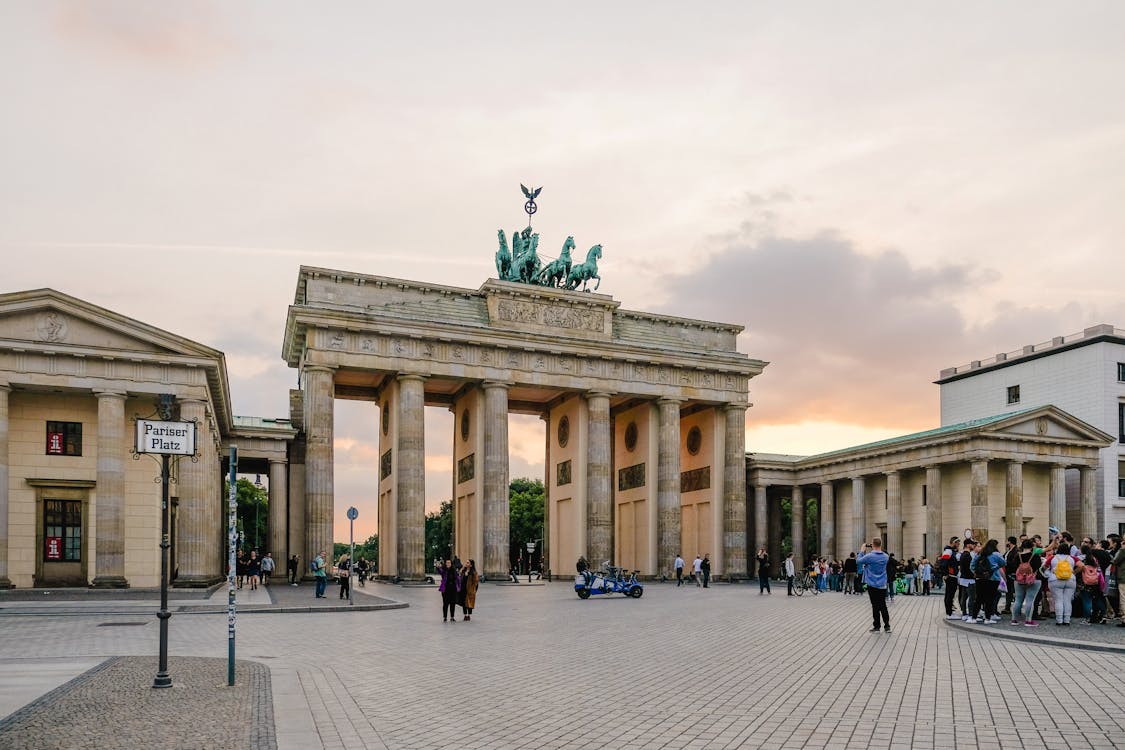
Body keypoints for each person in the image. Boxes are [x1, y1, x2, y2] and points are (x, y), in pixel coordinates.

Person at [858, 539, 891, 633]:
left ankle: (877, 627)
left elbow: (858, 561)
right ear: (880, 544)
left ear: (872, 545)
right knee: (883, 605)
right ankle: (887, 626)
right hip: (882, 584)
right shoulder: (886, 557)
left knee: (875, 606)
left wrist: (862, 551)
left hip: (872, 584)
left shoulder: (869, 556)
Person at [1044, 538, 1079, 626]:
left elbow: (1044, 567)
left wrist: (1050, 572)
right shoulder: (1072, 558)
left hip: (1055, 580)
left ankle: (1059, 620)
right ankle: (1067, 620)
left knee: (1058, 600)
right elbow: (1082, 566)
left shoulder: (1053, 558)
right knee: (1067, 600)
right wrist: (1074, 572)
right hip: (1070, 579)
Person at [972, 539, 1006, 624]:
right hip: (993, 579)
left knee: (979, 598)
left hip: (980, 579)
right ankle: (987, 618)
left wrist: (977, 573)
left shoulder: (980, 553)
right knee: (990, 599)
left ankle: (973, 618)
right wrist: (995, 566)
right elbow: (1004, 563)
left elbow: (972, 565)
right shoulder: (996, 554)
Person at [1010, 539, 1043, 627]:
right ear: (1032, 546)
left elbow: (1013, 567)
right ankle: (1028, 620)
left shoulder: (1017, 556)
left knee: (1018, 600)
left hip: (1019, 580)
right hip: (1033, 580)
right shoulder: (1035, 556)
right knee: (1030, 600)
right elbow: (1038, 567)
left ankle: (1014, 619)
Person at [941, 539, 961, 619]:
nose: (959, 544)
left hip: (952, 576)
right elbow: (943, 563)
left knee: (950, 595)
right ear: (953, 543)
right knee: (949, 595)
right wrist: (946, 574)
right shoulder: (948, 551)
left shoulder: (951, 551)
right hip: (950, 576)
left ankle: (950, 612)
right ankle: (949, 613)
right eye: (958, 543)